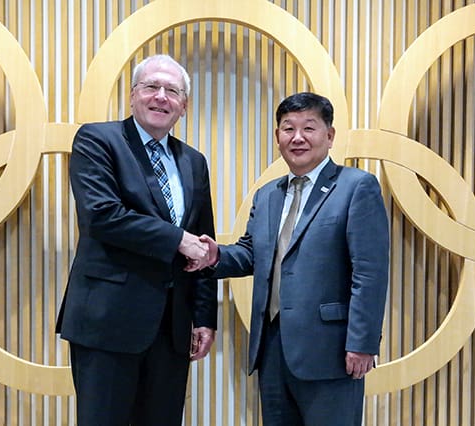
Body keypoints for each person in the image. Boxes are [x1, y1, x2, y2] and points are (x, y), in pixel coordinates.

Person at [191, 92, 390, 425]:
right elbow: (250, 253)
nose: (297, 137)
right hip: (272, 349)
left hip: (333, 351)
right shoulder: (268, 194)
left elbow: (369, 273)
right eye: (288, 129)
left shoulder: (357, 187)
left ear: (329, 136)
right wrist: (215, 256)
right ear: (278, 137)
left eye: (309, 128)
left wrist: (363, 342)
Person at [56, 54, 217, 426]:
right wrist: (177, 239)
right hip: (107, 322)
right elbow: (102, 216)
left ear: (184, 106)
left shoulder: (194, 161)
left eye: (172, 91)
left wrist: (204, 317)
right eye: (151, 87)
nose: (161, 97)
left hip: (172, 329)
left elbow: (202, 244)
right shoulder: (97, 139)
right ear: (132, 95)